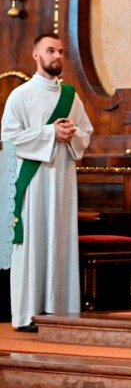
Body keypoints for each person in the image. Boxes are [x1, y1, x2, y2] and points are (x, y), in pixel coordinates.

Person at [1, 33, 93, 332]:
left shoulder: (71, 96)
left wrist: (72, 134)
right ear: (36, 55)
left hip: (63, 180)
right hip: (33, 182)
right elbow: (8, 138)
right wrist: (50, 133)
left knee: (60, 241)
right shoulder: (21, 95)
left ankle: (60, 311)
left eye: (60, 51)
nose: (57, 56)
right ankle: (27, 314)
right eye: (50, 50)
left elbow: (86, 133)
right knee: (31, 244)